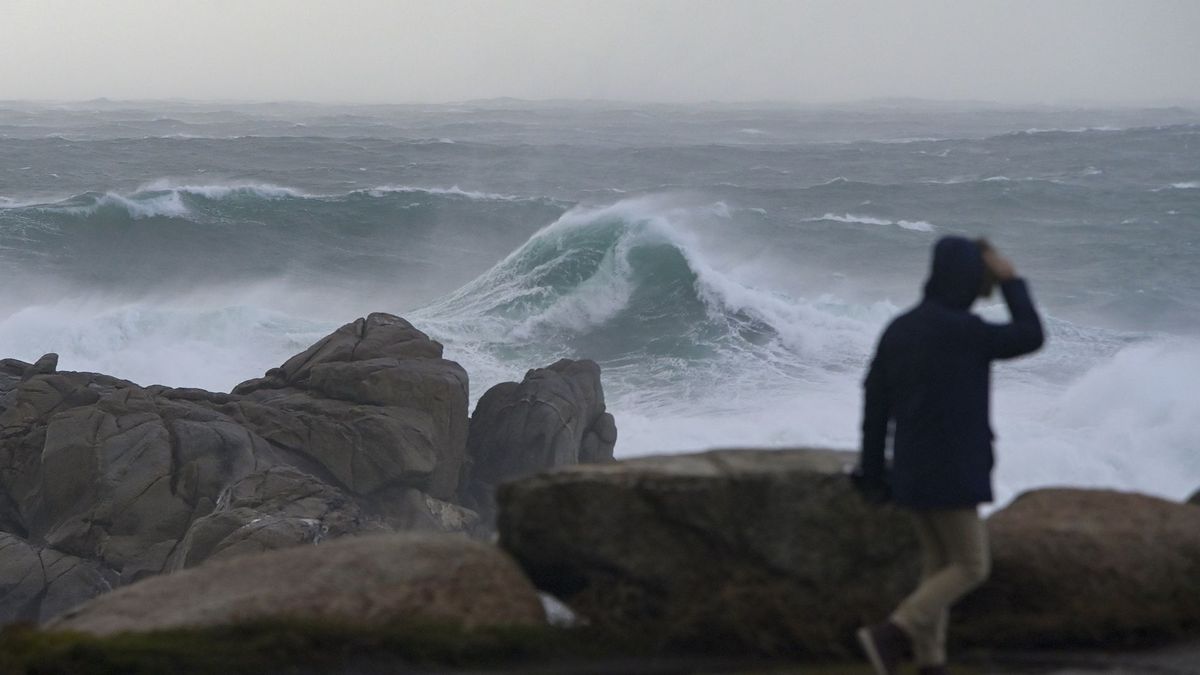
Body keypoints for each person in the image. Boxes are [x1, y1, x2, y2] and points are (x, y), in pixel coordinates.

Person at [854, 236, 1044, 675]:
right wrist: (1012, 280)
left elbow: (874, 404)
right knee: (972, 566)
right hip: (954, 471)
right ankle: (892, 633)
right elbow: (1031, 335)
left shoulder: (899, 329)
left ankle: (930, 662)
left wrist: (873, 470)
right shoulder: (967, 332)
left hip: (909, 470)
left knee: (938, 566)